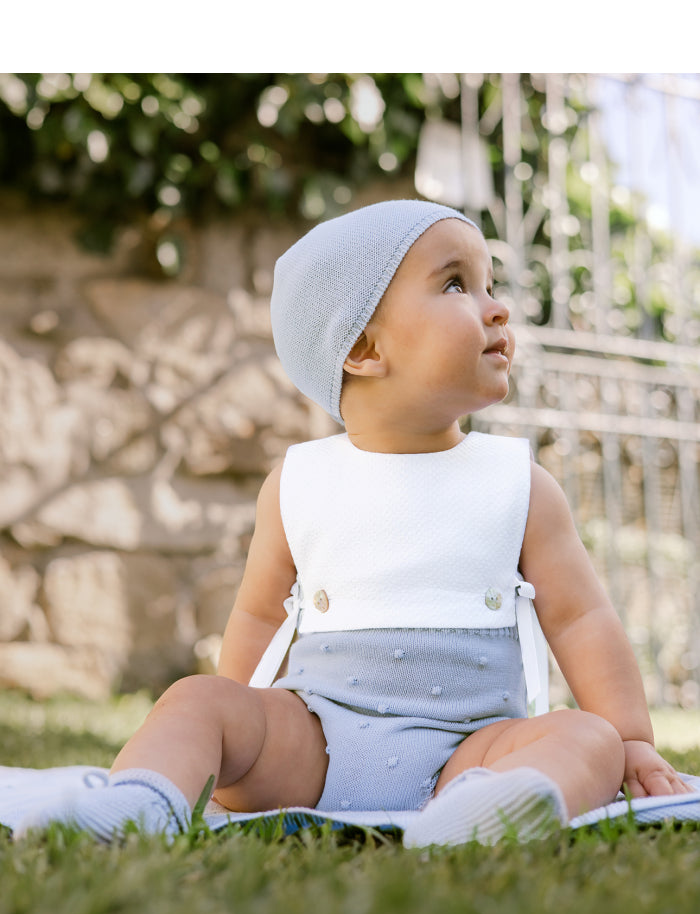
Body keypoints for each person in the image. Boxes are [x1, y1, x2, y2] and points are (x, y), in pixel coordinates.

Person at [16, 199, 692, 848]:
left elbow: (580, 619)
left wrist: (631, 738)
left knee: (589, 739)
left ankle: (490, 810)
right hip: (317, 743)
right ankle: (141, 801)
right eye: (456, 284)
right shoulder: (298, 482)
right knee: (197, 699)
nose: (498, 307)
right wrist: (237, 732)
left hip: (472, 749)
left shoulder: (519, 484)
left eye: (489, 284)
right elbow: (259, 616)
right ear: (364, 348)